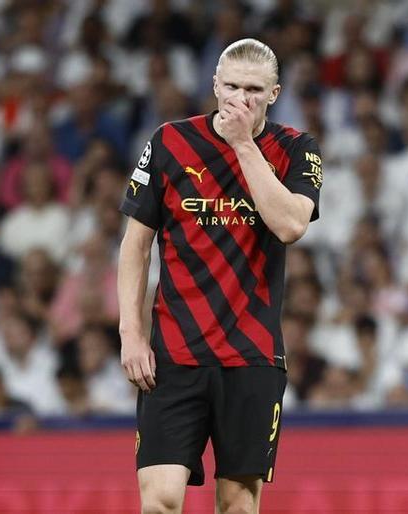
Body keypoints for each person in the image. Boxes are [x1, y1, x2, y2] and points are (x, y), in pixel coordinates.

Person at [117, 38, 322, 514]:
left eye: (254, 90)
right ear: (214, 85)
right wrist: (131, 333)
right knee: (159, 501)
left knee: (237, 503)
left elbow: (291, 225)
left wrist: (243, 144)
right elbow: (135, 245)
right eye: (231, 87)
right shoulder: (170, 142)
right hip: (174, 353)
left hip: (252, 354)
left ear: (274, 94)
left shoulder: (296, 148)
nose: (240, 99)